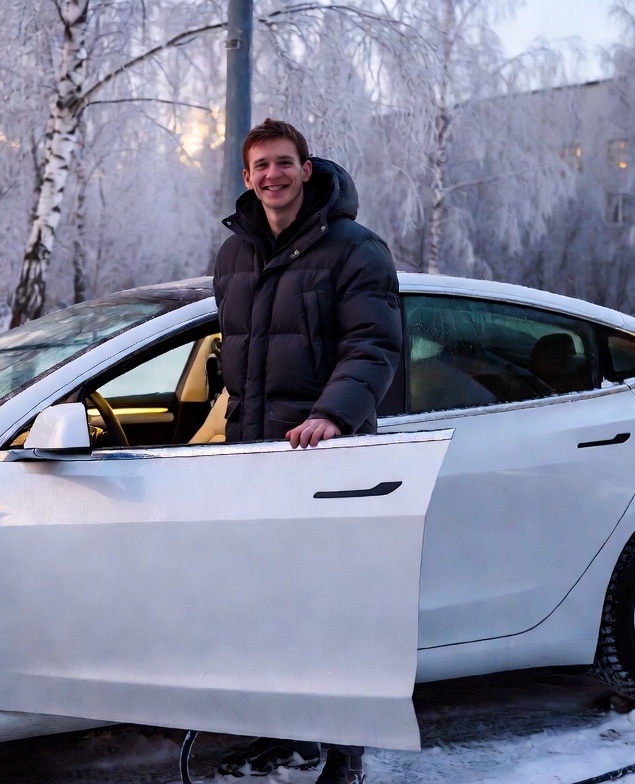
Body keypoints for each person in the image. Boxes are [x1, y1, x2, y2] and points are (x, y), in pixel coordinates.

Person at [212, 119, 402, 784]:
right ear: (246, 177)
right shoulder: (233, 254)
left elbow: (373, 346)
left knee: (331, 610)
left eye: (284, 163)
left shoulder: (356, 249)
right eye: (261, 165)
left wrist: (332, 415)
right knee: (270, 607)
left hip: (327, 458)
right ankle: (285, 736)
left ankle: (345, 756)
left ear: (307, 169)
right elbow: (236, 353)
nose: (273, 175)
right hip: (257, 460)